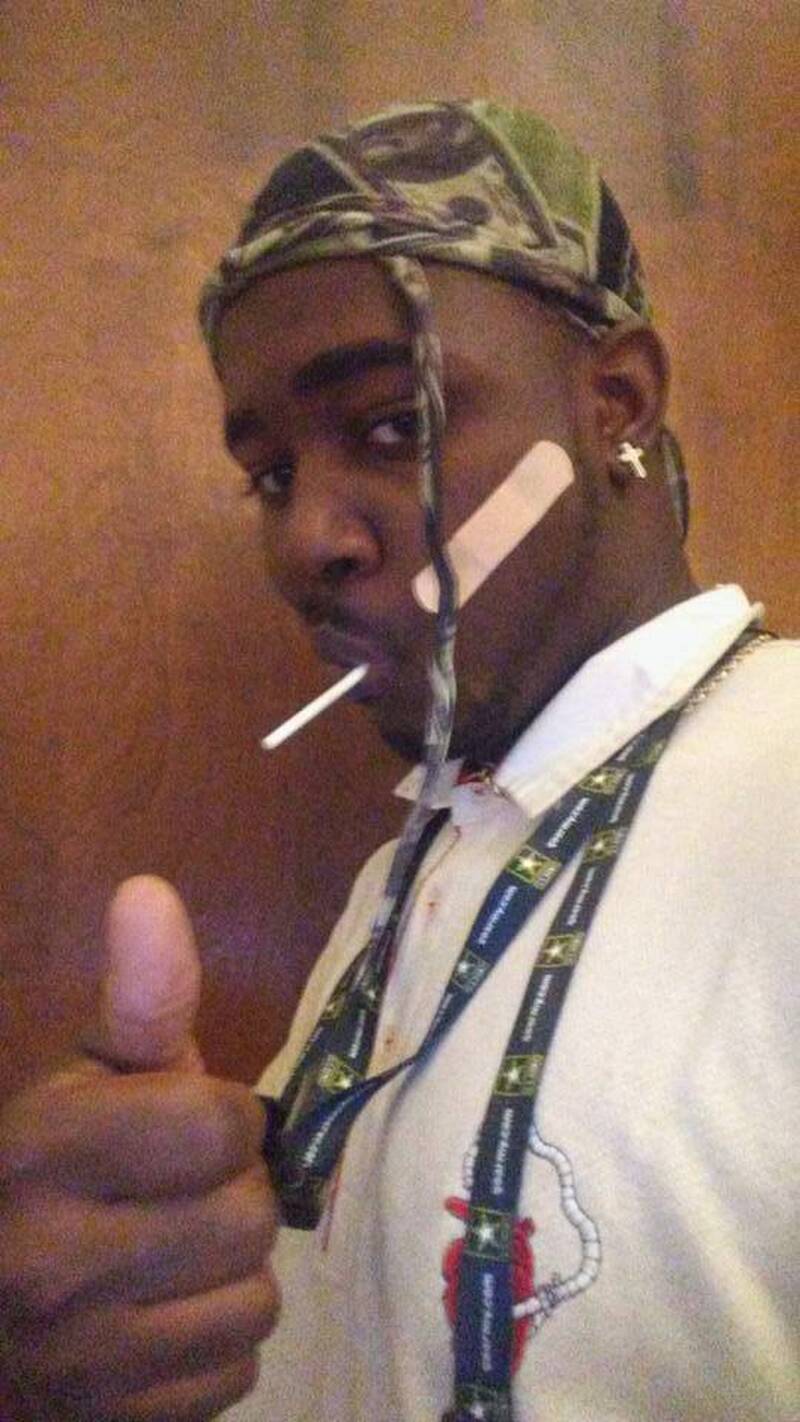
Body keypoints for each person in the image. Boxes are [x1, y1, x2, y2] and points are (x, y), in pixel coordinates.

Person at [0, 100, 796, 1422]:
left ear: (614, 403)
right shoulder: (412, 873)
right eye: (268, 475)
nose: (306, 541)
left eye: (389, 423)